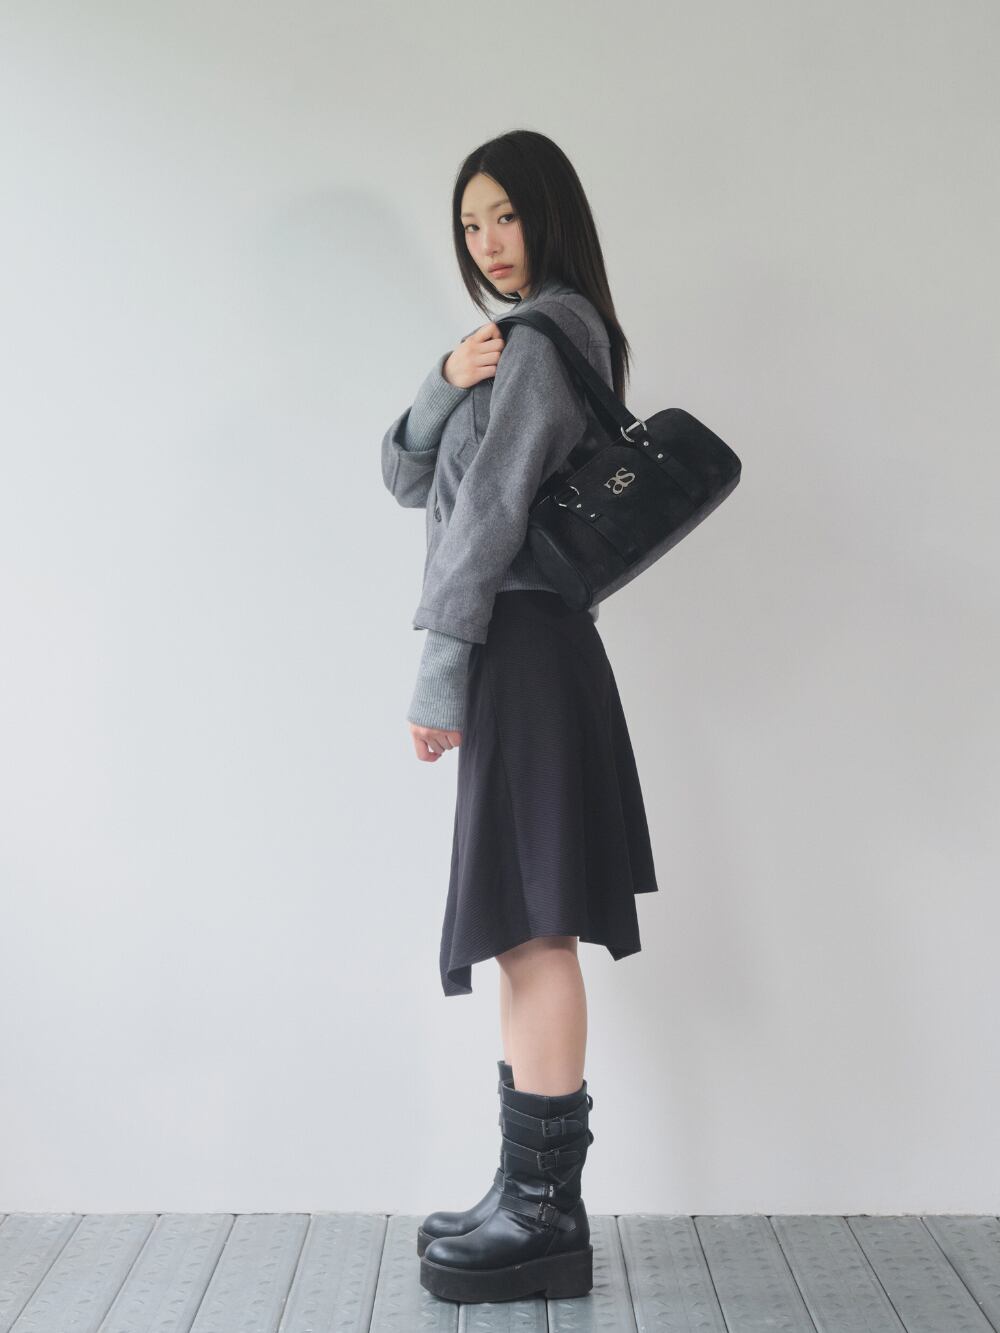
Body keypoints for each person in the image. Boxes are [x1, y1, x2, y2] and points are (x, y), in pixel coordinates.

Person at [379, 129, 659, 1304]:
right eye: (469, 224)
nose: (487, 242)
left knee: (534, 925)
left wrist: (438, 673)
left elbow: (491, 513)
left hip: (523, 648)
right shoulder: (512, 343)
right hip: (526, 650)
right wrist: (443, 380)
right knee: (518, 925)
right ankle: (523, 1190)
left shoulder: (548, 335)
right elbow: (408, 478)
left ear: (547, 214)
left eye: (504, 215)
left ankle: (545, 1215)